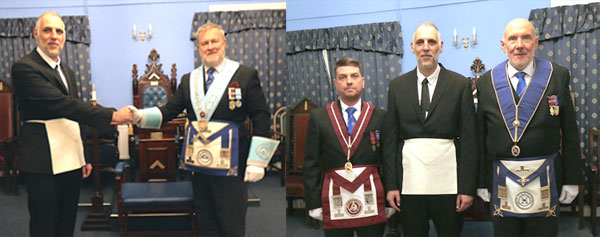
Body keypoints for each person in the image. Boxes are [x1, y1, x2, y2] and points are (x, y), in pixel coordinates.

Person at [130, 22, 275, 236]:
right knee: (205, 219)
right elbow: (170, 110)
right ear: (199, 48)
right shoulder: (190, 80)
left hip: (232, 163)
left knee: (230, 219)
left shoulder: (244, 75)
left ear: (224, 43)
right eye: (204, 43)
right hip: (200, 162)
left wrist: (257, 161)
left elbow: (261, 117)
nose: (210, 46)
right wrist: (140, 116)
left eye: (214, 41)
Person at [11, 11, 133, 236]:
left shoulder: (68, 71)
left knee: (67, 221)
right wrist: (112, 116)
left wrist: (83, 155)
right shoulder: (25, 67)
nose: (54, 36)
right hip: (43, 159)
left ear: (65, 37)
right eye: (48, 30)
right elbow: (63, 105)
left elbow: (74, 117)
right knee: (44, 224)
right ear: (36, 34)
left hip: (70, 156)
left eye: (59, 31)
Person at [476, 18, 583, 236]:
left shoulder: (558, 75)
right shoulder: (486, 82)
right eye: (512, 39)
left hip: (546, 179)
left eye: (526, 37)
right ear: (503, 45)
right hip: (501, 181)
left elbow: (570, 132)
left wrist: (573, 180)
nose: (519, 44)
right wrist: (480, 181)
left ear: (536, 42)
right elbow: (480, 138)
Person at [382, 22, 478, 236]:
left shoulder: (459, 84)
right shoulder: (397, 86)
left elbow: (470, 140)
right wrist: (391, 185)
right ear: (412, 47)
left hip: (449, 183)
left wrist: (467, 188)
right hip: (409, 183)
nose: (426, 47)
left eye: (431, 42)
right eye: (420, 42)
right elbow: (389, 141)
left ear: (441, 46)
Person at [303, 58, 388, 236]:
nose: (349, 81)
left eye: (354, 76)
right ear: (335, 83)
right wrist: (314, 203)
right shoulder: (319, 117)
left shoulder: (380, 116)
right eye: (342, 77)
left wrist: (387, 199)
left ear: (362, 81)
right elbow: (311, 163)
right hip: (334, 200)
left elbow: (389, 160)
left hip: (372, 198)